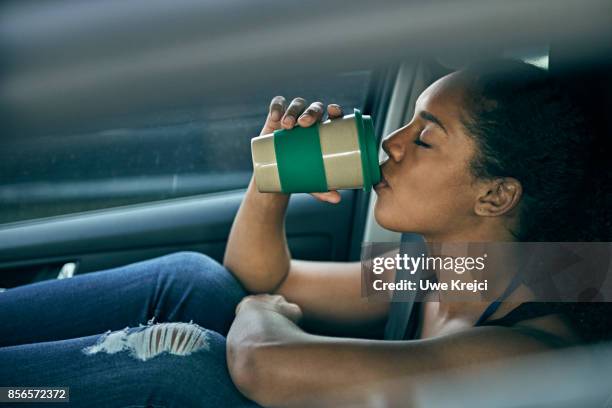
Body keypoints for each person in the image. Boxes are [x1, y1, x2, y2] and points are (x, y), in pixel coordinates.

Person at [0, 59, 608, 407]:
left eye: (423, 138)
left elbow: (263, 362)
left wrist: (264, 313)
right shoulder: (449, 271)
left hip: (261, 361)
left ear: (495, 194)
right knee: (191, 277)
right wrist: (271, 181)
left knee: (186, 362)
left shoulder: (524, 352)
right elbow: (268, 276)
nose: (390, 146)